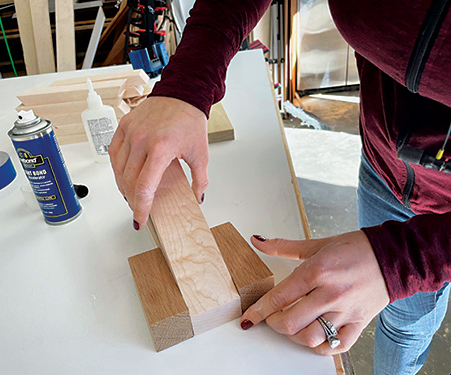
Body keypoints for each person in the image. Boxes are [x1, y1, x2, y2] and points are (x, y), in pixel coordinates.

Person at [109, 0, 451, 373]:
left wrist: (408, 260)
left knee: (406, 322)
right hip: (383, 163)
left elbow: (403, 266)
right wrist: (187, 84)